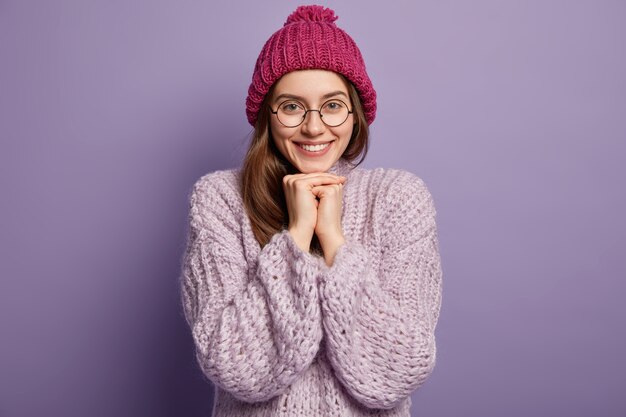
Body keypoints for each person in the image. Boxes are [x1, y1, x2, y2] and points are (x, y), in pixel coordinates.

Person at [180, 5, 442, 416]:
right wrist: (297, 237)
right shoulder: (220, 199)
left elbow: (397, 372)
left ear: (355, 114)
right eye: (292, 107)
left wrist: (335, 241)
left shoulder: (398, 198)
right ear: (268, 115)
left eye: (333, 105)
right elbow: (234, 367)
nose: (314, 127)